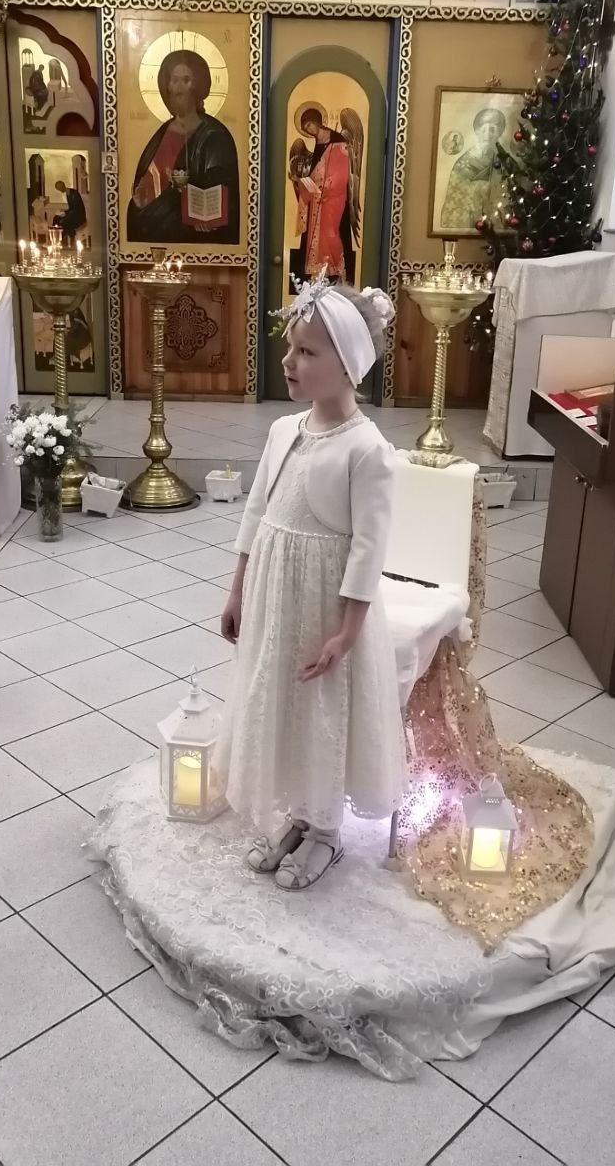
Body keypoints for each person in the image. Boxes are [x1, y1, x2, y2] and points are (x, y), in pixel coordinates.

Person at [220, 278, 406, 890]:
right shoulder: (284, 430)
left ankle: (326, 829)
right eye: (290, 347)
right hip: (277, 595)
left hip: (325, 605)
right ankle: (300, 815)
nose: (288, 361)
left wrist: (347, 632)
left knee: (322, 709)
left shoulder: (367, 450)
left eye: (306, 352)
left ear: (349, 364)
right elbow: (256, 512)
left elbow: (368, 549)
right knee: (285, 702)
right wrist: (237, 588)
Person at [126, 48, 240, 244]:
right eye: (174, 80)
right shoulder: (163, 132)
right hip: (152, 229)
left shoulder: (215, 135)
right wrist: (140, 200)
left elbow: (224, 190)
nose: (178, 88)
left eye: (186, 80)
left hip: (194, 234)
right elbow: (147, 179)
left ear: (197, 86)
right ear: (167, 86)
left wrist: (209, 216)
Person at [290, 107, 356, 284]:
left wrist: (324, 188)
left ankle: (335, 270)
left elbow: (341, 175)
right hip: (317, 201)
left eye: (309, 125)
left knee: (331, 234)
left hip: (333, 199)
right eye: (305, 128)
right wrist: (299, 181)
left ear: (317, 121)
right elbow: (315, 175)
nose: (308, 130)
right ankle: (318, 274)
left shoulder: (339, 142)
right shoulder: (318, 143)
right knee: (317, 237)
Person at [439, 106, 507, 232]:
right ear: (477, 131)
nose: (488, 134)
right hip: (471, 221)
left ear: (499, 133)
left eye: (493, 129)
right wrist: (482, 188)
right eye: (484, 129)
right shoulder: (463, 163)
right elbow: (456, 198)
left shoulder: (503, 161)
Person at [52, 178, 86, 243]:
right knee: (56, 218)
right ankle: (55, 236)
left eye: (59, 188)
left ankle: (61, 239)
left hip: (79, 216)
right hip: (73, 214)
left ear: (62, 185)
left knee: (63, 222)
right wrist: (64, 211)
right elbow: (71, 208)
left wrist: (65, 213)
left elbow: (77, 208)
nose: (59, 190)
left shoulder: (74, 193)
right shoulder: (68, 194)